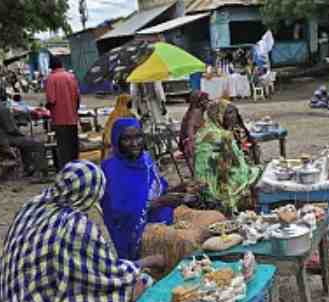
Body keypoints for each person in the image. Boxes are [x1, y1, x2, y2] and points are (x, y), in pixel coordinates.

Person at [0, 160, 165, 302]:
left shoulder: (34, 205)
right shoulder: (75, 226)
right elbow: (108, 273)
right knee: (140, 283)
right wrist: (147, 262)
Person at [100, 118, 221, 273]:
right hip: (138, 229)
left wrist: (182, 187)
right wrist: (158, 202)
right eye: (126, 139)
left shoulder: (145, 159)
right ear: (117, 141)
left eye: (138, 137)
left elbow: (159, 189)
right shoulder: (111, 169)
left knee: (214, 218)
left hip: (164, 213)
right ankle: (184, 280)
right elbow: (119, 214)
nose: (134, 143)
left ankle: (216, 270)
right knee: (186, 241)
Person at [194, 101, 261, 213]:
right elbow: (235, 165)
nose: (234, 116)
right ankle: (244, 203)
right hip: (220, 183)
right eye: (229, 112)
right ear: (218, 115)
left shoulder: (204, 130)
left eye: (235, 112)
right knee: (261, 172)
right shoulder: (222, 135)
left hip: (205, 183)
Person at [0, 84, 49, 182]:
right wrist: (21, 134)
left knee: (24, 143)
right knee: (38, 144)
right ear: (1, 93)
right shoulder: (3, 108)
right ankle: (42, 173)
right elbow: (11, 129)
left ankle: (29, 169)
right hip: (6, 140)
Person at [46, 56, 80, 170]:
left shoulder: (51, 78)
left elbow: (51, 100)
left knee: (63, 148)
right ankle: (76, 168)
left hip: (60, 119)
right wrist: (74, 110)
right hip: (72, 118)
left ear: (51, 66)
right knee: (73, 147)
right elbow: (77, 97)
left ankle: (66, 171)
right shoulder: (71, 76)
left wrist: (47, 108)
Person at [179, 91, 209, 173]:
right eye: (206, 100)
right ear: (200, 102)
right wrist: (192, 143)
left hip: (191, 143)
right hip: (192, 146)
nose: (208, 103)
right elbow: (190, 129)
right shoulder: (196, 112)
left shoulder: (193, 111)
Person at [102, 94, 134, 159]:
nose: (130, 104)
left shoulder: (130, 114)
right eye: (129, 102)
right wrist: (109, 142)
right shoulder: (115, 114)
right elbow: (109, 129)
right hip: (116, 145)